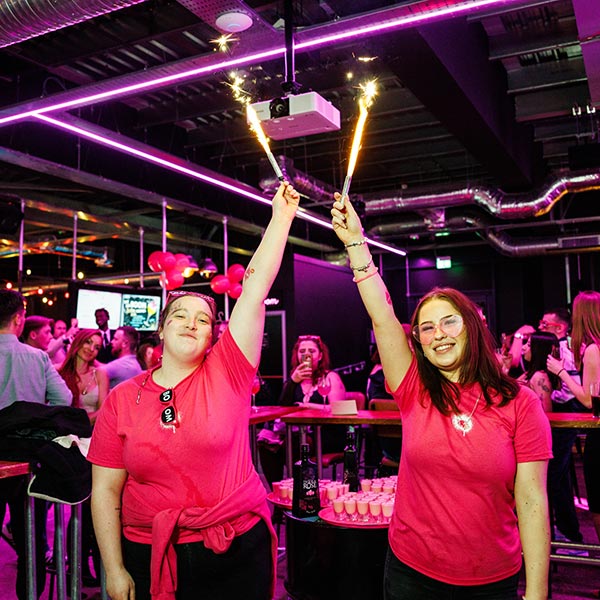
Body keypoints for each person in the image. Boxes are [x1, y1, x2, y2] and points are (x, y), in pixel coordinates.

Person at [331, 195, 552, 600]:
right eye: (427, 328)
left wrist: (537, 593)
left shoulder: (521, 403)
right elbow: (382, 315)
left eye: (449, 322)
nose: (439, 335)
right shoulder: (414, 388)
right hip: (412, 571)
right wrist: (356, 245)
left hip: (490, 577)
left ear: (471, 326)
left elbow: (533, 501)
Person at [87, 181, 300, 600]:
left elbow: (254, 293)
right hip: (149, 551)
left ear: (212, 336)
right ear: (161, 330)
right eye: (179, 316)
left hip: (235, 550)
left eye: (202, 320)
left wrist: (280, 219)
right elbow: (106, 490)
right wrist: (113, 569)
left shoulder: (229, 373)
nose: (190, 323)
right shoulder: (121, 398)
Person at [0, 290, 72, 600]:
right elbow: (63, 400)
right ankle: (29, 593)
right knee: (31, 532)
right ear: (18, 320)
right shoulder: (37, 357)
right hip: (27, 456)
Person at [547, 290, 600, 543]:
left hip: (598, 434)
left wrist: (562, 372)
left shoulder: (592, 348)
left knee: (597, 506)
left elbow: (590, 399)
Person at [257, 335, 346, 487]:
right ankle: (278, 493)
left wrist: (308, 406)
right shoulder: (294, 379)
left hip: (326, 434)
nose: (307, 355)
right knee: (265, 443)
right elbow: (282, 408)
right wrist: (293, 382)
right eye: (302, 351)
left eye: (312, 351)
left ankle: (301, 494)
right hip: (298, 433)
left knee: (296, 444)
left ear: (320, 355)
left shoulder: (330, 377)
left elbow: (339, 409)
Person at [57, 328, 108, 585]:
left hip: (95, 445)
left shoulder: (101, 373)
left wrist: (79, 420)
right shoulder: (59, 372)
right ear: (77, 341)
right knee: (76, 509)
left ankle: (98, 568)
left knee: (95, 508)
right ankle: (77, 567)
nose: (91, 348)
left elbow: (104, 409)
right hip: (68, 447)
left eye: (97, 346)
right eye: (88, 342)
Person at [538, 308, 585, 545]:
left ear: (560, 328)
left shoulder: (567, 350)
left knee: (553, 474)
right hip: (558, 411)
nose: (540, 327)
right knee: (558, 474)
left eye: (545, 324)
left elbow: (575, 392)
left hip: (570, 411)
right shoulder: (553, 349)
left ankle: (567, 536)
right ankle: (568, 534)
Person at [518, 331, 560, 412]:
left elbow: (547, 412)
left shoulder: (539, 377)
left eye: (529, 345)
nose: (523, 347)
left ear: (540, 350)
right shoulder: (529, 373)